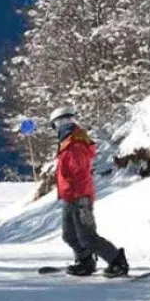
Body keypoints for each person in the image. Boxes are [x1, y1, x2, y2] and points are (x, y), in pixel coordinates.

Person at [50, 106, 129, 277]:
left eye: (66, 121)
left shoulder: (75, 144)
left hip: (80, 197)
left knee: (87, 237)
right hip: (69, 197)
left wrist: (83, 201)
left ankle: (117, 261)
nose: (62, 125)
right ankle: (85, 261)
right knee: (69, 235)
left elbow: (81, 174)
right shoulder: (67, 144)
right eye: (59, 123)